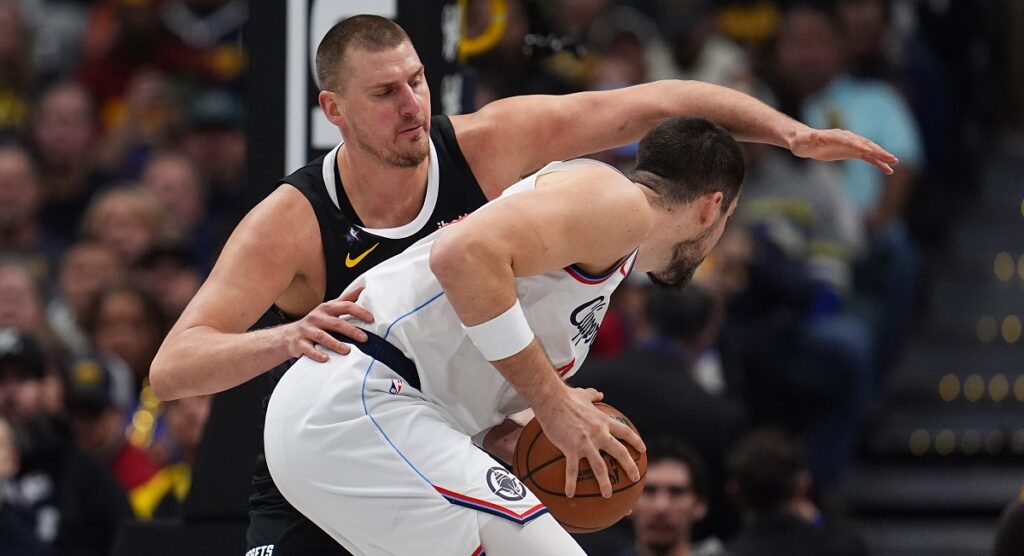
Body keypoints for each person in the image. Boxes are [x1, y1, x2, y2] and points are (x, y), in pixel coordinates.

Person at [149, 14, 897, 555]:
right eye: (385, 93)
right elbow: (171, 368)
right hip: (346, 419)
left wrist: (789, 134)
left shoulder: (488, 145)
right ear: (333, 112)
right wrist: (285, 334)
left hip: (414, 423)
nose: (413, 105)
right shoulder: (293, 219)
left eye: (417, 81)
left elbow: (661, 101)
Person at [263, 115, 743, 555]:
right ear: (713, 207)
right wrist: (553, 402)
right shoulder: (619, 204)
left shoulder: (605, 243)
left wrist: (505, 432)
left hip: (352, 413)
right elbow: (461, 255)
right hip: (361, 400)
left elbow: (459, 339)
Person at [725, 428, 868, 556]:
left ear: (734, 492)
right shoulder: (842, 547)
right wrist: (819, 521)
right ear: (803, 485)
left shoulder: (728, 552)